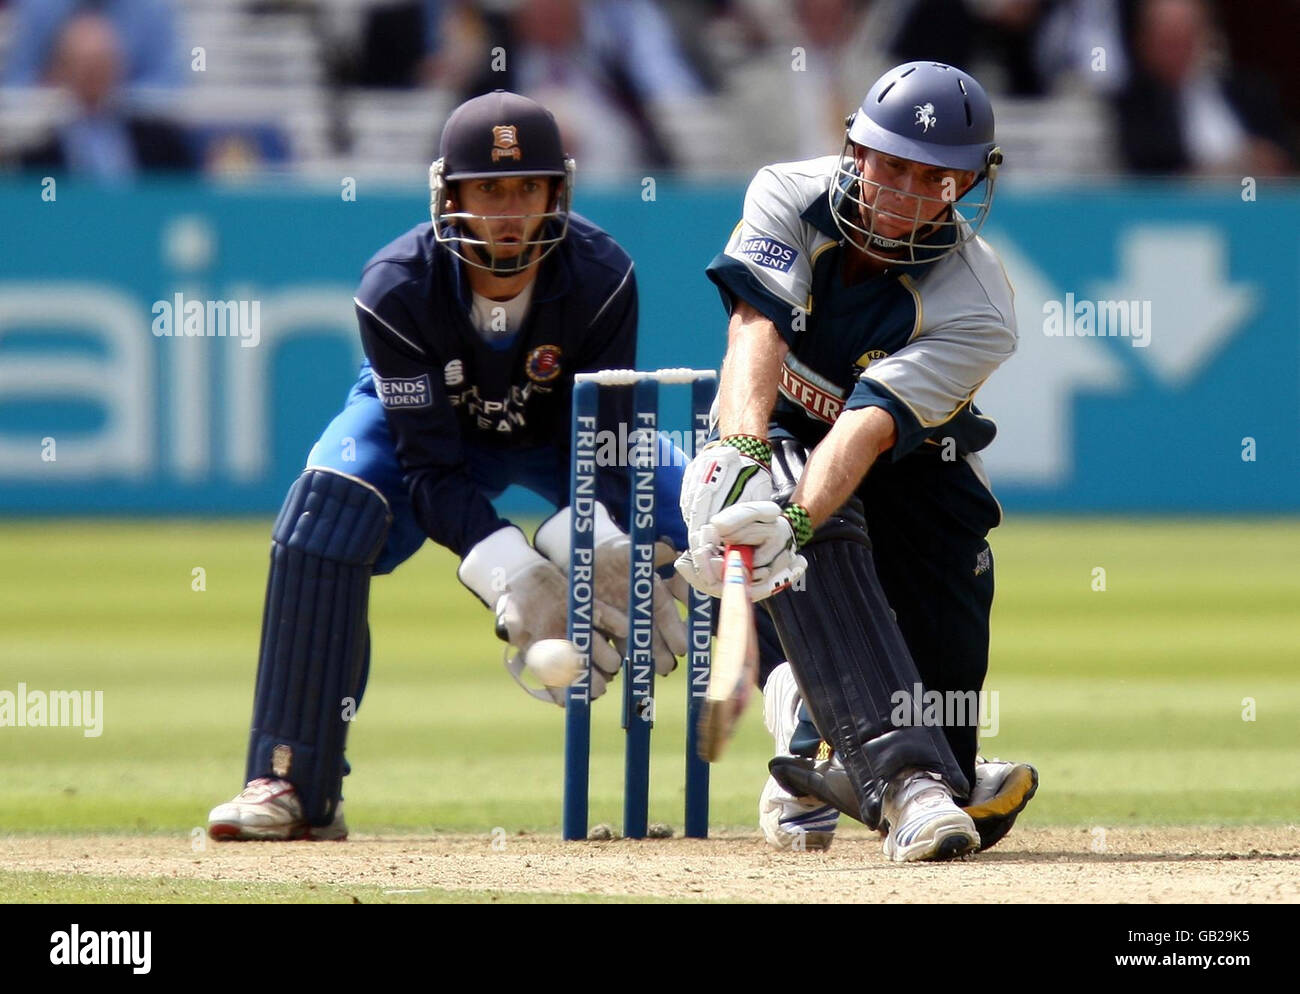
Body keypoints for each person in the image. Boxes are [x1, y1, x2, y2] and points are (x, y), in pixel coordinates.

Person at [207, 90, 690, 841]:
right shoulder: (396, 289)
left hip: (568, 436)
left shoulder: (602, 278)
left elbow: (611, 451)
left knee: (720, 509)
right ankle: (293, 781)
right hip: (436, 434)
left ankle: (816, 758)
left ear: (556, 193)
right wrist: (516, 574)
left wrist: (604, 552)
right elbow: (430, 470)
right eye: (487, 189)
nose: (507, 211)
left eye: (525, 188)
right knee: (320, 521)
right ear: (449, 193)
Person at [676, 61, 1038, 861]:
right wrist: (738, 451)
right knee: (771, 477)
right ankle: (906, 784)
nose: (905, 194)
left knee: (953, 743)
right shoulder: (786, 193)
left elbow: (869, 427)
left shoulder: (978, 304)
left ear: (969, 184)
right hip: (776, 433)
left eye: (934, 179)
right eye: (892, 167)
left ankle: (821, 742)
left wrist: (797, 522)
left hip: (917, 469)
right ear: (855, 150)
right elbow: (755, 329)